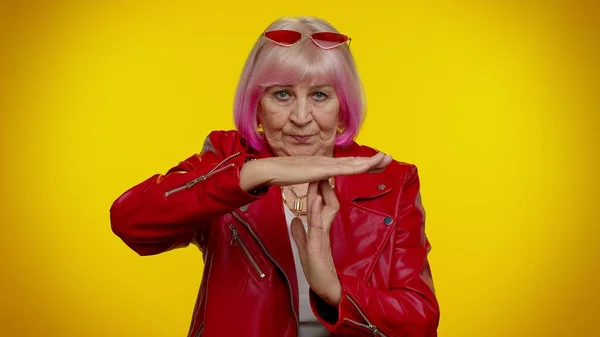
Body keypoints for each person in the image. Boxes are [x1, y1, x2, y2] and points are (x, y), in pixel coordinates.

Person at [110, 16, 439, 337]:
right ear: (256, 104)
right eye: (282, 94)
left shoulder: (392, 180)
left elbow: (420, 322)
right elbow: (131, 223)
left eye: (319, 95)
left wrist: (336, 292)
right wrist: (257, 172)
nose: (300, 117)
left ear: (344, 105)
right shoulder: (228, 160)